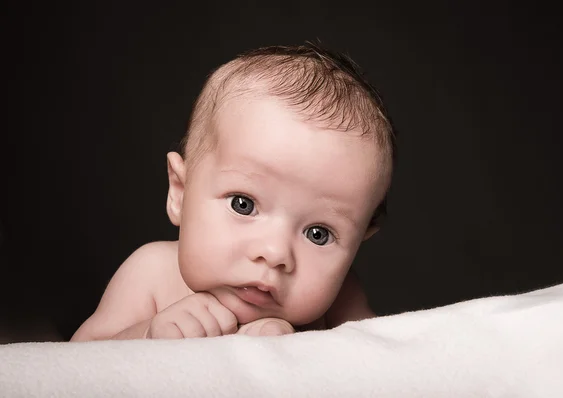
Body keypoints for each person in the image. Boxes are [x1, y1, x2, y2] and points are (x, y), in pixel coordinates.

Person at [71, 42, 395, 341]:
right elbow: (70, 364)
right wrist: (147, 335)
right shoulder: (151, 272)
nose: (275, 253)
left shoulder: (340, 300)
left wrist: (301, 355)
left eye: (318, 233)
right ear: (180, 193)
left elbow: (373, 364)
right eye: (243, 204)